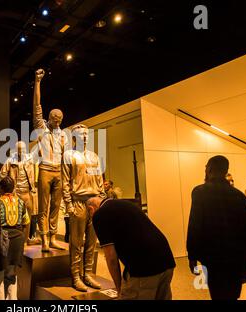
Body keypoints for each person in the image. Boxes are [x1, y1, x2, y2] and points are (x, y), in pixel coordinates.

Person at [187, 156, 246, 300]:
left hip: (213, 257)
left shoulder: (200, 192)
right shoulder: (240, 196)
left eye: (206, 167)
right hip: (236, 258)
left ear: (209, 169)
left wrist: (192, 255)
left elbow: (195, 225)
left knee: (217, 294)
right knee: (233, 296)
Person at [86, 197, 175, 300]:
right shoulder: (126, 204)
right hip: (166, 259)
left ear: (91, 209)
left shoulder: (99, 215)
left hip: (144, 267)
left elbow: (111, 258)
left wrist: (119, 288)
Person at [62, 124, 105, 292]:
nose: (85, 137)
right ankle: (75, 276)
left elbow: (100, 181)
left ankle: (87, 274)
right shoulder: (69, 155)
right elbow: (65, 182)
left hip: (94, 203)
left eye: (87, 134)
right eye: (81, 135)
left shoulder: (94, 157)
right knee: (76, 242)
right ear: (74, 138)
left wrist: (101, 201)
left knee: (92, 242)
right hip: (78, 202)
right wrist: (69, 204)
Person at [33, 68, 68, 252]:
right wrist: (38, 82)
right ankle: (44, 239)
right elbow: (37, 106)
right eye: (54, 117)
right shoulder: (41, 128)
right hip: (45, 169)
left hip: (58, 172)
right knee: (43, 206)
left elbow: (66, 158)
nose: (57, 120)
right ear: (49, 117)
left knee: (56, 206)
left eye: (60, 118)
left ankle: (53, 237)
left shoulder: (63, 135)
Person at [0, 141, 40, 245]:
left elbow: (39, 151)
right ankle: (16, 241)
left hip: (27, 193)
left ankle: (26, 240)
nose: (22, 152)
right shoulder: (10, 161)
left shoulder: (29, 159)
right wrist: (8, 189)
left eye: (24, 150)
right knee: (15, 218)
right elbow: (2, 175)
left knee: (28, 218)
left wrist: (41, 140)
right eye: (20, 150)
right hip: (15, 193)